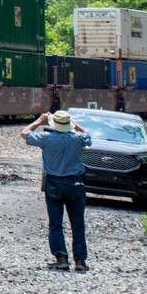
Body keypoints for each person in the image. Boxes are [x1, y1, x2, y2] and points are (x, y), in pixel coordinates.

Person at [22, 110, 92, 272]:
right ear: (69, 125)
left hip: (54, 182)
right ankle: (80, 261)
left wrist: (39, 121)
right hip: (76, 183)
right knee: (78, 224)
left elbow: (24, 133)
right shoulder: (79, 139)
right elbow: (87, 134)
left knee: (55, 223)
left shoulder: (46, 139)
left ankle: (61, 259)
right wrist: (75, 124)